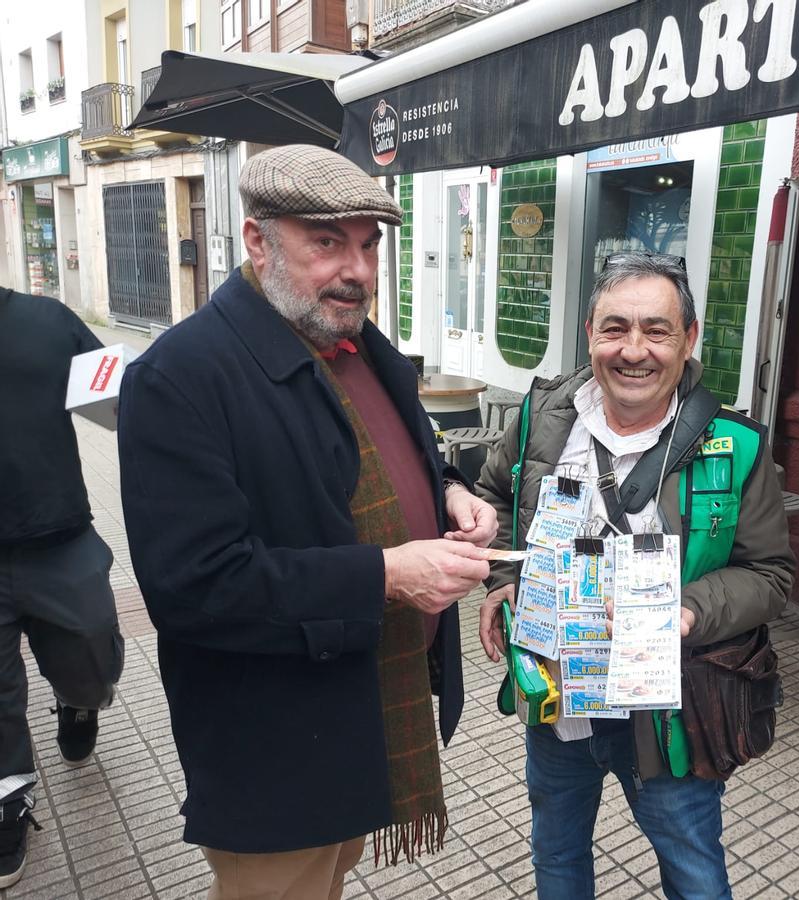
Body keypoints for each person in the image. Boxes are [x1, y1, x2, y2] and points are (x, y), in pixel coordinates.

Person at [117, 145, 497, 899]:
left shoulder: (352, 342)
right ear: (258, 242)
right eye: (325, 242)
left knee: (332, 878)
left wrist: (448, 489)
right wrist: (388, 573)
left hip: (359, 716)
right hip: (275, 749)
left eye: (366, 244)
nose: (354, 269)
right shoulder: (180, 376)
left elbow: (396, 452)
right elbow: (195, 586)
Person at [475, 253, 795, 899]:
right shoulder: (542, 420)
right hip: (558, 695)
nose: (634, 350)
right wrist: (502, 582)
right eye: (615, 328)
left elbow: (770, 573)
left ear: (689, 338)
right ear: (590, 331)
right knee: (557, 857)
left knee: (694, 871)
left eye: (656, 329)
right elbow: (496, 499)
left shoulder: (735, 446)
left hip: (669, 704)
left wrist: (689, 609)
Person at [0, 287, 125, 889]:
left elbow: (122, 405)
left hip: (60, 540)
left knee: (92, 652)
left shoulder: (47, 321)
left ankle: (80, 701)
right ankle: (7, 805)